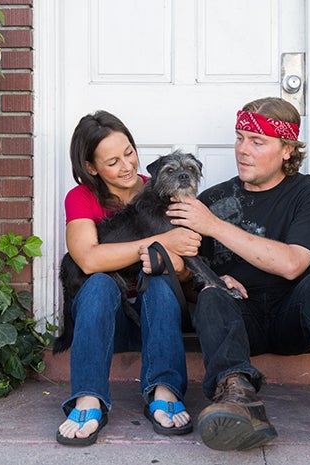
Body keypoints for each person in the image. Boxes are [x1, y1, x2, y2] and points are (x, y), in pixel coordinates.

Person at [165, 97, 310, 450]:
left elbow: (292, 264)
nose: (243, 150)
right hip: (241, 318)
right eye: (240, 138)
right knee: (212, 294)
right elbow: (190, 274)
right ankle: (236, 397)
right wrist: (206, 280)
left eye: (257, 142)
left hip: (295, 318)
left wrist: (213, 225)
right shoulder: (212, 199)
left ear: (287, 149)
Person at [56, 110, 200, 446]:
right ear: (91, 167)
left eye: (129, 153)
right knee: (100, 281)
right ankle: (89, 398)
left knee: (161, 277)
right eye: (112, 161)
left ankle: (164, 389)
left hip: (159, 318)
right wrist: (162, 241)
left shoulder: (163, 189)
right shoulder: (81, 198)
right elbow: (89, 259)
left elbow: (186, 264)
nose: (126, 166)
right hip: (107, 321)